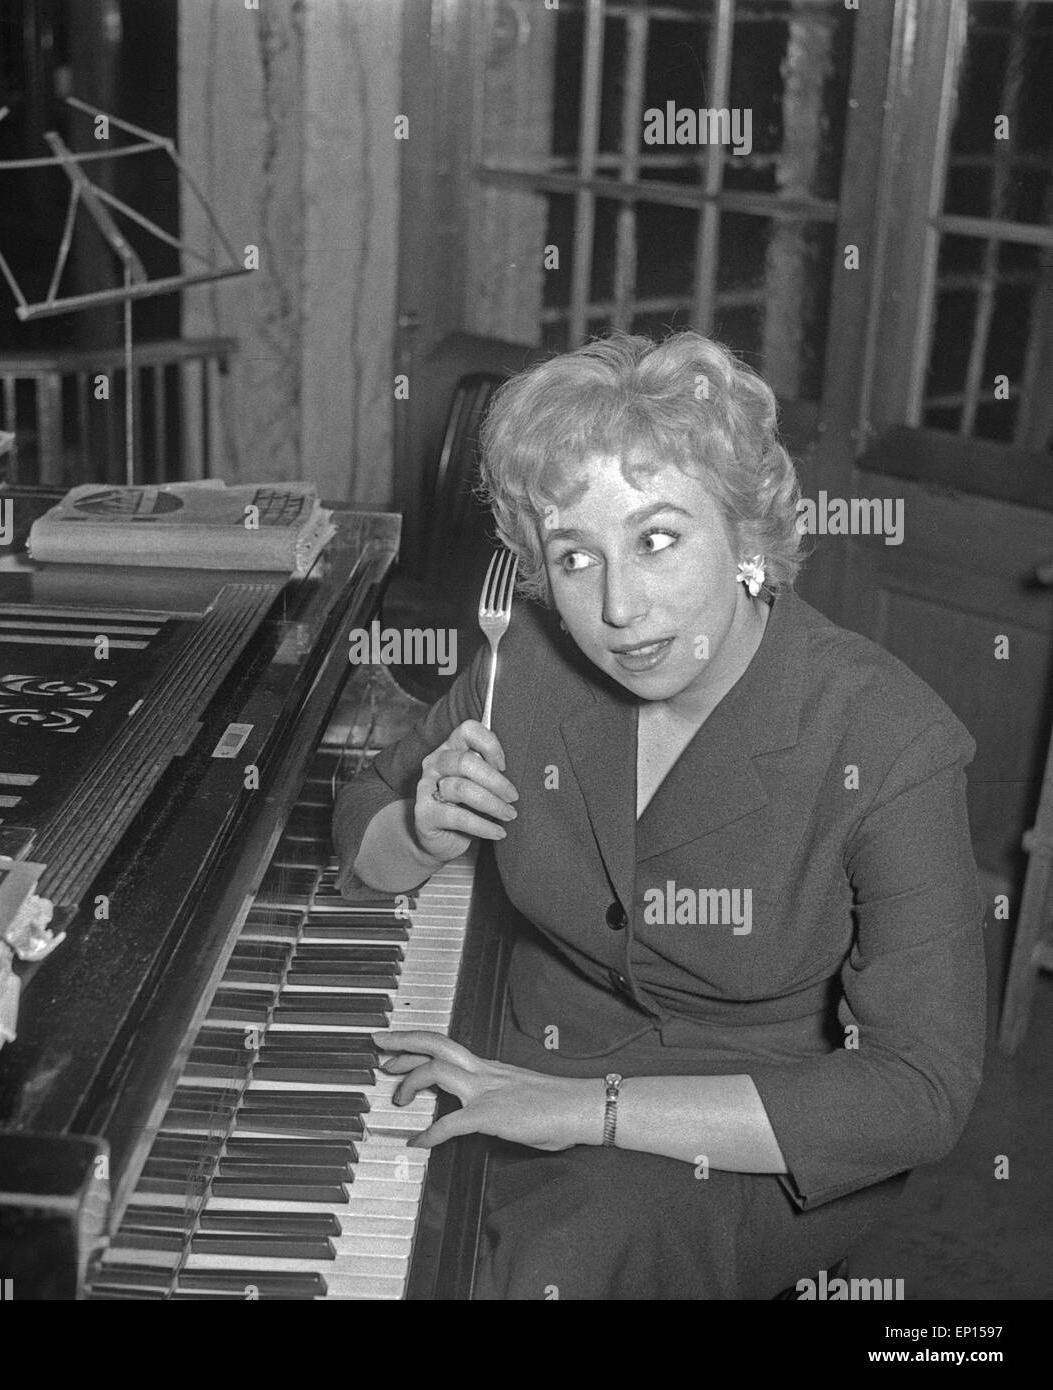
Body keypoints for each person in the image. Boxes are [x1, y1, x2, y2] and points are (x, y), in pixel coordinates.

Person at [330, 329, 987, 1299]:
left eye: (656, 539)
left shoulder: (888, 741)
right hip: (523, 1051)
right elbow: (365, 810)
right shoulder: (529, 670)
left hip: (739, 1133)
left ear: (748, 534)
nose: (620, 608)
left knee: (550, 1269)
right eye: (573, 557)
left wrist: (585, 1108)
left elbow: (918, 1091)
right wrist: (420, 833)